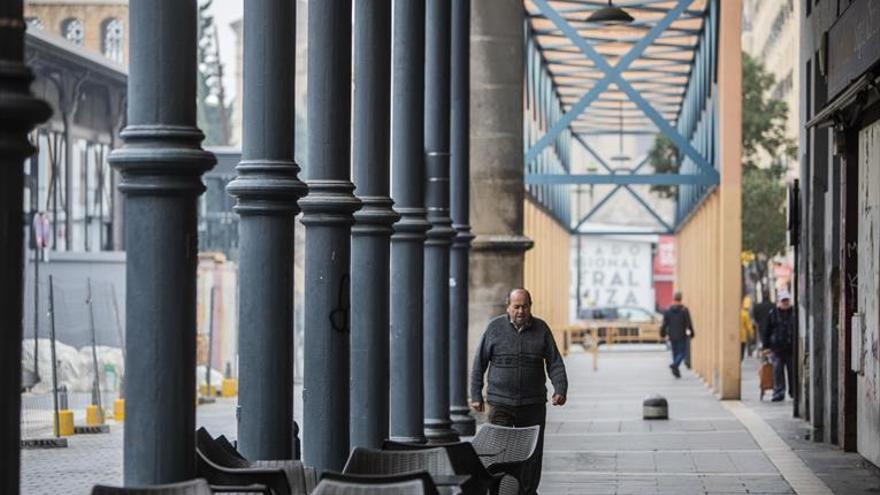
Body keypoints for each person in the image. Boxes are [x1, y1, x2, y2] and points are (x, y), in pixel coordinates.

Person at [470, 288, 567, 495]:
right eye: (516, 307)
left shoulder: (541, 329)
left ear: (530, 306)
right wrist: (476, 394)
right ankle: (501, 491)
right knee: (499, 451)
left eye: (525, 306)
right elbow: (479, 363)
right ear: (508, 307)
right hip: (500, 403)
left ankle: (528, 491)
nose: (521, 311)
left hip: (532, 403)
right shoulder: (494, 328)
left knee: (532, 453)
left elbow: (555, 362)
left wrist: (560, 388)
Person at [761, 290, 795, 402]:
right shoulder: (773, 314)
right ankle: (779, 392)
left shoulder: (794, 312)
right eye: (783, 300)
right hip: (777, 348)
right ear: (779, 301)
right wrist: (766, 347)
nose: (785, 302)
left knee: (792, 371)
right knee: (777, 371)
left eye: (787, 300)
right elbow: (767, 331)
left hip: (791, 348)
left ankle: (793, 392)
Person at [660, 292, 695, 378]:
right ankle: (675, 364)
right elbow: (689, 323)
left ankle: (676, 371)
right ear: (681, 298)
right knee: (683, 352)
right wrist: (692, 332)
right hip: (682, 334)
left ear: (674, 298)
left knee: (675, 352)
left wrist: (662, 333)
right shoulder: (684, 310)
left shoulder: (668, 310)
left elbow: (664, 323)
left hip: (672, 335)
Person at [740, 296, 755, 361]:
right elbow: (748, 325)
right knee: (741, 354)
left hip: (736, 337)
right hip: (742, 337)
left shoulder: (739, 312)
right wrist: (752, 333)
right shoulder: (745, 314)